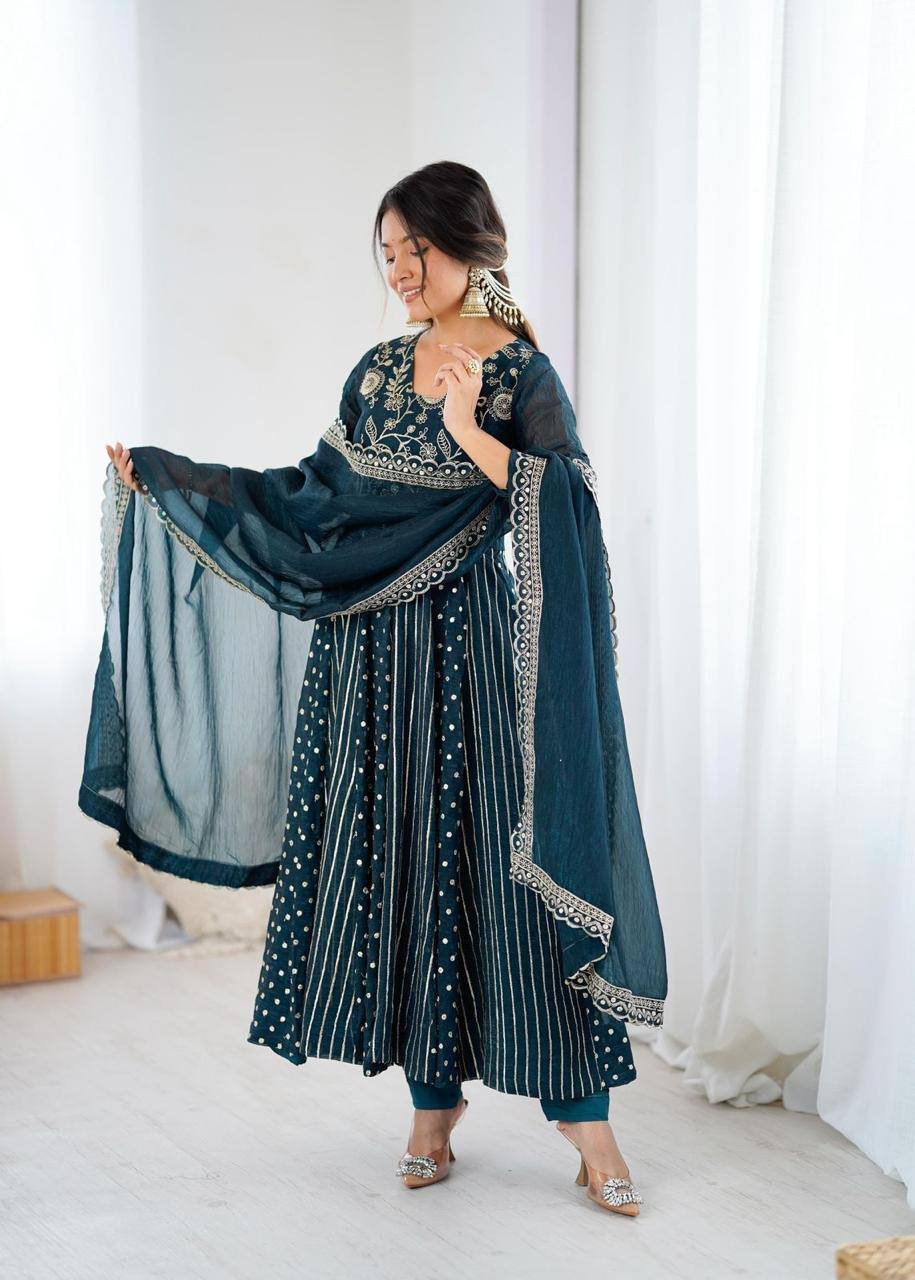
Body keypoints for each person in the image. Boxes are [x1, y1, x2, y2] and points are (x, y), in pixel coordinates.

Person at [95, 160, 666, 1218]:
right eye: (389, 252)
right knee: (401, 869)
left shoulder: (520, 374)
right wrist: (174, 476)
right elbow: (313, 501)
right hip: (364, 660)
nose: (400, 270)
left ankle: (585, 1119)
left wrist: (469, 428)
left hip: (474, 656)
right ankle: (431, 1110)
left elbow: (570, 508)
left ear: (474, 247)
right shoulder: (376, 371)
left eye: (417, 248)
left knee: (511, 874)